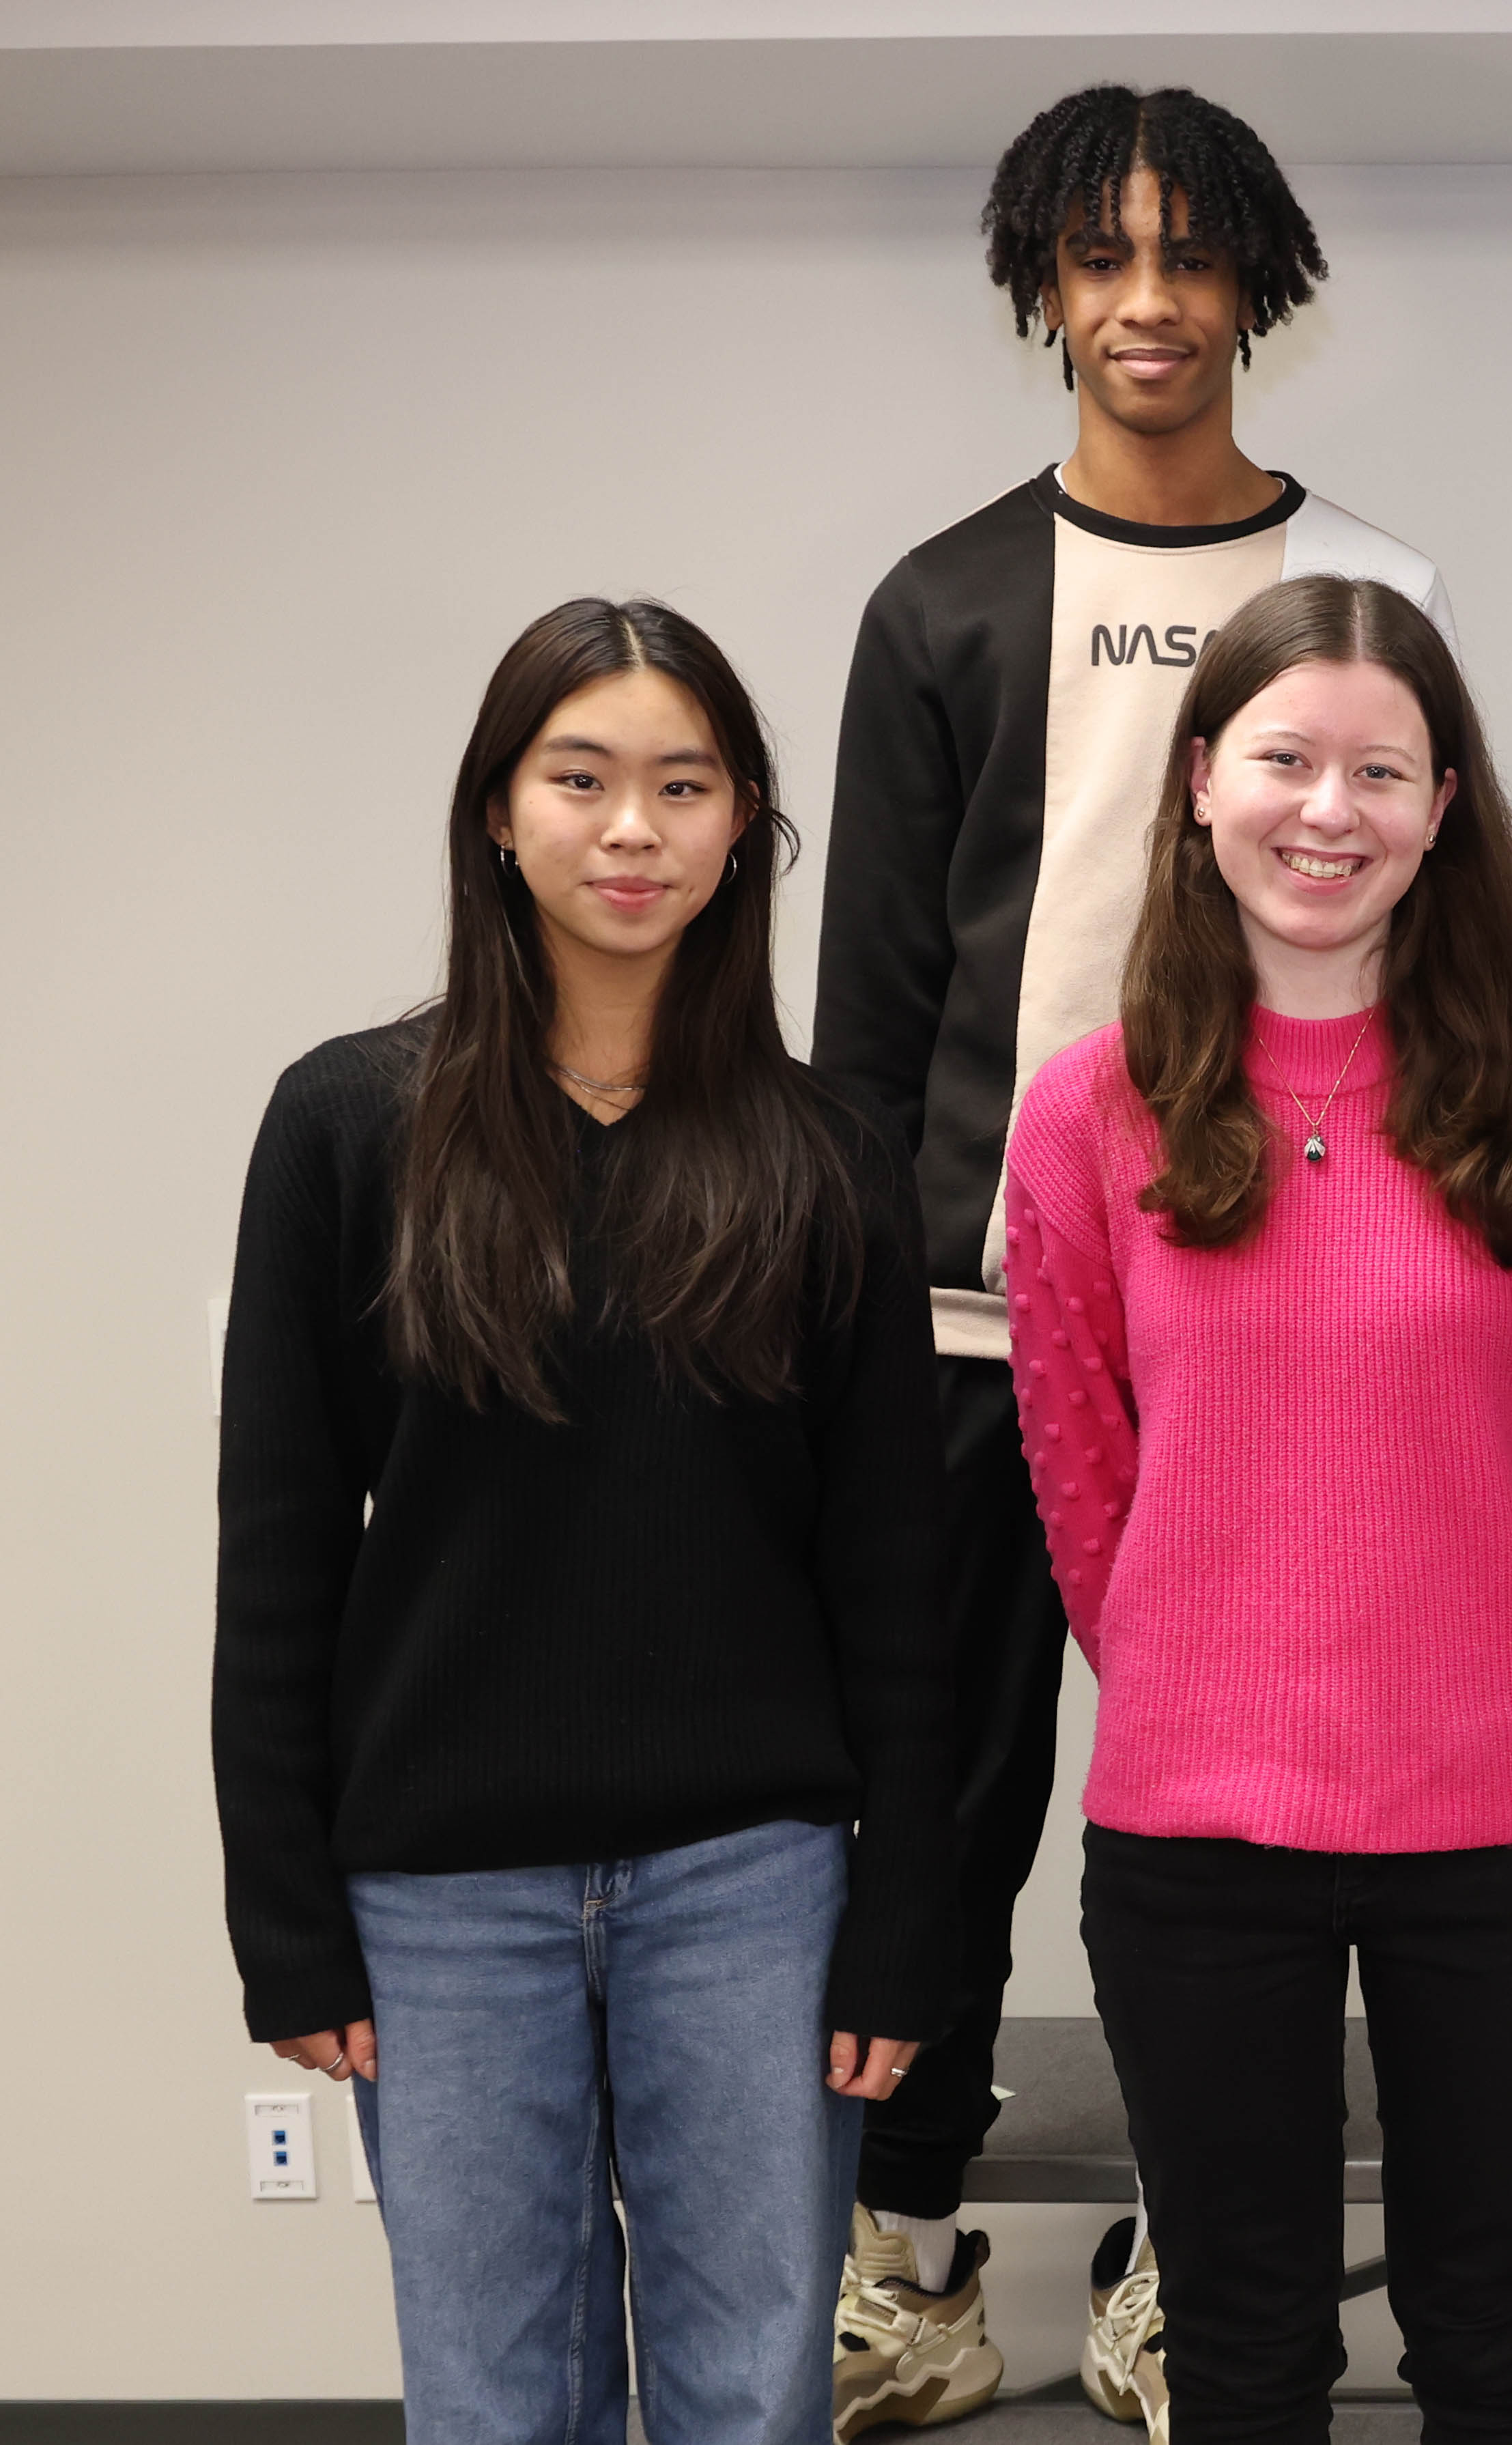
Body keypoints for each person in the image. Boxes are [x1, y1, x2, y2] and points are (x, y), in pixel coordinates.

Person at [811, 81, 1456, 2434]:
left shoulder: (1369, 590)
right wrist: (859, 1340)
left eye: (1192, 256)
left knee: (1247, 1827)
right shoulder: (947, 601)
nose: (1149, 301)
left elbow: (1440, 941)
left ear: (1255, 285)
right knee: (944, 1800)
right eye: (1103, 258)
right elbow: (864, 1028)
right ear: (1043, 290)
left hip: (1284, 1342)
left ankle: (1203, 2273)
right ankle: (906, 2263)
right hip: (975, 1332)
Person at [214, 599, 956, 2445]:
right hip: (442, 1902)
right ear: (498, 813)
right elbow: (280, 1549)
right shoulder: (347, 1125)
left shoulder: (824, 1155)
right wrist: (286, 1920)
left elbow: (898, 1579)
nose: (632, 829)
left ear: (741, 826)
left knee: (749, 2396)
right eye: (583, 778)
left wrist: (906, 1926)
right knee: (493, 2403)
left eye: (682, 786)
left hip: (758, 1890)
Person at [1001, 574, 1512, 2441]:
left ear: (1443, 804)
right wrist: (1191, 1677)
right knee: (1238, 2350)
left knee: (1494, 2341)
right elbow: (1079, 1464)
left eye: (1380, 769)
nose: (1328, 811)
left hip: (1500, 1824)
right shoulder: (1089, 1114)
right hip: (1195, 1832)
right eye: (1285, 760)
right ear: (1202, 778)